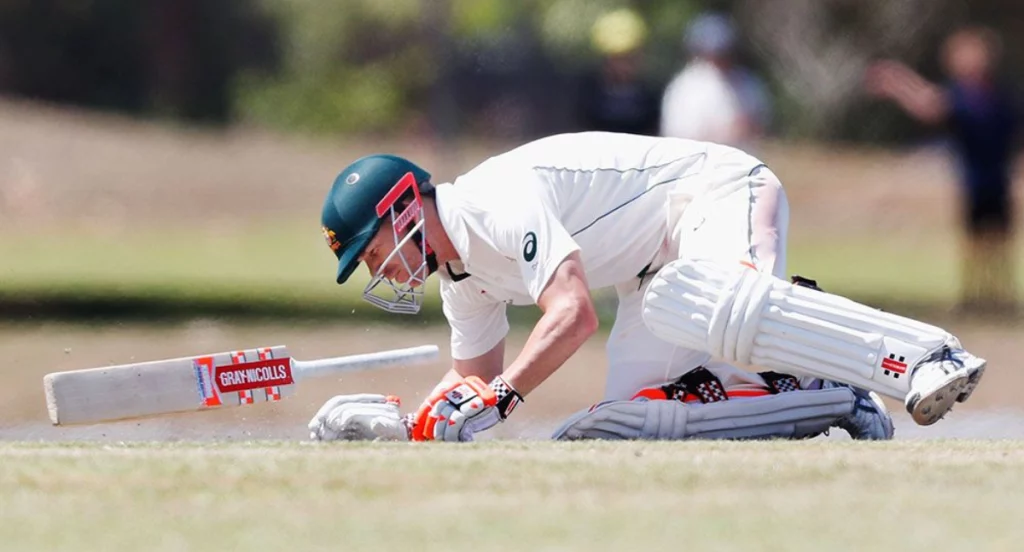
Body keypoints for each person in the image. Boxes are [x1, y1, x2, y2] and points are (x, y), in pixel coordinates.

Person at [308, 132, 987, 444]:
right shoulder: (461, 279)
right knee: (635, 419)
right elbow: (471, 384)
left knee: (711, 300)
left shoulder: (488, 201)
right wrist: (396, 428)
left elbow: (571, 315)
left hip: (713, 193)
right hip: (651, 271)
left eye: (374, 254)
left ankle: (925, 357)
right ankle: (832, 396)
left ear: (404, 209)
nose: (382, 272)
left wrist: (506, 399)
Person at [864, 25, 1019, 315]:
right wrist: (898, 80)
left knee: (999, 241)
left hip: (998, 179)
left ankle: (1001, 295)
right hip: (974, 180)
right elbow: (928, 104)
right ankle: (975, 296)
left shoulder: (999, 96)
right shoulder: (962, 96)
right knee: (974, 242)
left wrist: (896, 79)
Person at [659, 12, 771, 153]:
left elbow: (761, 121)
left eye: (724, 51)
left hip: (744, 165)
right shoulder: (685, 87)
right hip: (701, 167)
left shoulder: (747, 81)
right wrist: (728, 131)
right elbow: (679, 136)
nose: (719, 58)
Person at [577, 8, 661, 136]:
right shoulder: (586, 95)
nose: (625, 65)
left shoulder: (651, 98)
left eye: (631, 57)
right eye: (619, 58)